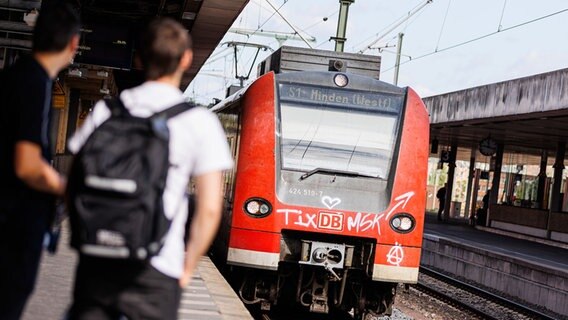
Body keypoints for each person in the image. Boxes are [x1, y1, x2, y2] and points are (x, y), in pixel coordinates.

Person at [66, 18, 232, 320]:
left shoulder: (106, 111)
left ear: (138, 58)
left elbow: (75, 181)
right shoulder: (199, 122)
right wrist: (187, 268)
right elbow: (209, 210)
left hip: (98, 264)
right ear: (186, 59)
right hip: (157, 267)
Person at [0, 5, 80, 319]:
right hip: (13, 228)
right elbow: (27, 165)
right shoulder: (34, 82)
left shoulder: (15, 77)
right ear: (73, 43)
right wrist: (67, 188)